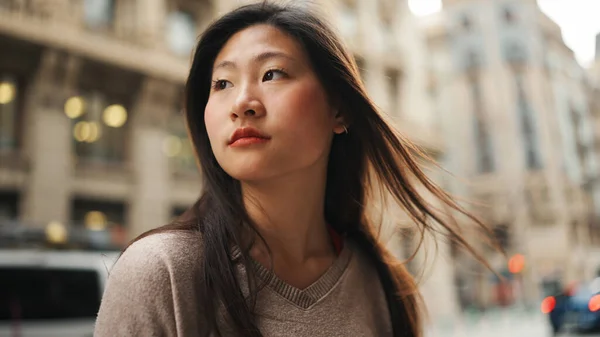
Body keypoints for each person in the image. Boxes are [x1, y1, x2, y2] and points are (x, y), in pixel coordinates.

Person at [94, 2, 488, 337]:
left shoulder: (379, 283)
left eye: (272, 74)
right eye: (222, 84)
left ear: (339, 109)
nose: (242, 103)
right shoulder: (162, 273)